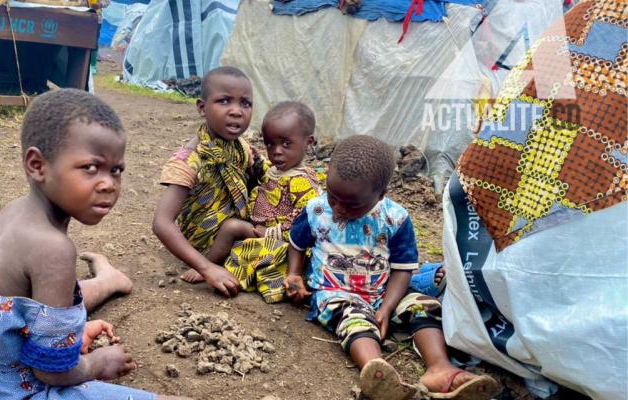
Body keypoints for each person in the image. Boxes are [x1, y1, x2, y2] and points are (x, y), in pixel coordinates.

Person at [0, 89, 189, 400]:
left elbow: (13, 311)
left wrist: (66, 336)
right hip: (7, 391)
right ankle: (106, 283)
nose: (108, 184)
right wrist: (96, 363)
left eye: (116, 170)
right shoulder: (53, 250)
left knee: (55, 300)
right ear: (37, 165)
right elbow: (51, 372)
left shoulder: (14, 212)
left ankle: (107, 281)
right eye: (91, 167)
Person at [283, 135, 499, 400]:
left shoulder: (395, 219)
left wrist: (386, 307)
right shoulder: (316, 210)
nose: (337, 208)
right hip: (336, 294)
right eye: (333, 196)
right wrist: (294, 274)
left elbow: (402, 268)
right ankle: (379, 375)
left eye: (351, 205)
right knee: (355, 319)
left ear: (381, 194)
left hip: (384, 292)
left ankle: (439, 368)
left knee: (425, 305)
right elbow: (296, 244)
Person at [152, 66, 258, 298]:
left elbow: (254, 185)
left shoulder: (241, 149)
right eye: (224, 101)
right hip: (203, 244)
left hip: (236, 227)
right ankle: (210, 261)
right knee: (252, 236)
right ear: (202, 108)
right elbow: (162, 223)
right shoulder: (190, 159)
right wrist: (206, 267)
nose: (236, 111)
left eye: (245, 103)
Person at [206, 101, 323, 303]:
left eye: (286, 144)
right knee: (239, 242)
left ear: (308, 143)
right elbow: (268, 173)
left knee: (231, 228)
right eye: (270, 144)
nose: (276, 151)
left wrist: (269, 233)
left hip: (283, 239)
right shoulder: (280, 169)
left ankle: (206, 265)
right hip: (262, 226)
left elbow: (304, 223)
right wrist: (257, 161)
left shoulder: (302, 182)